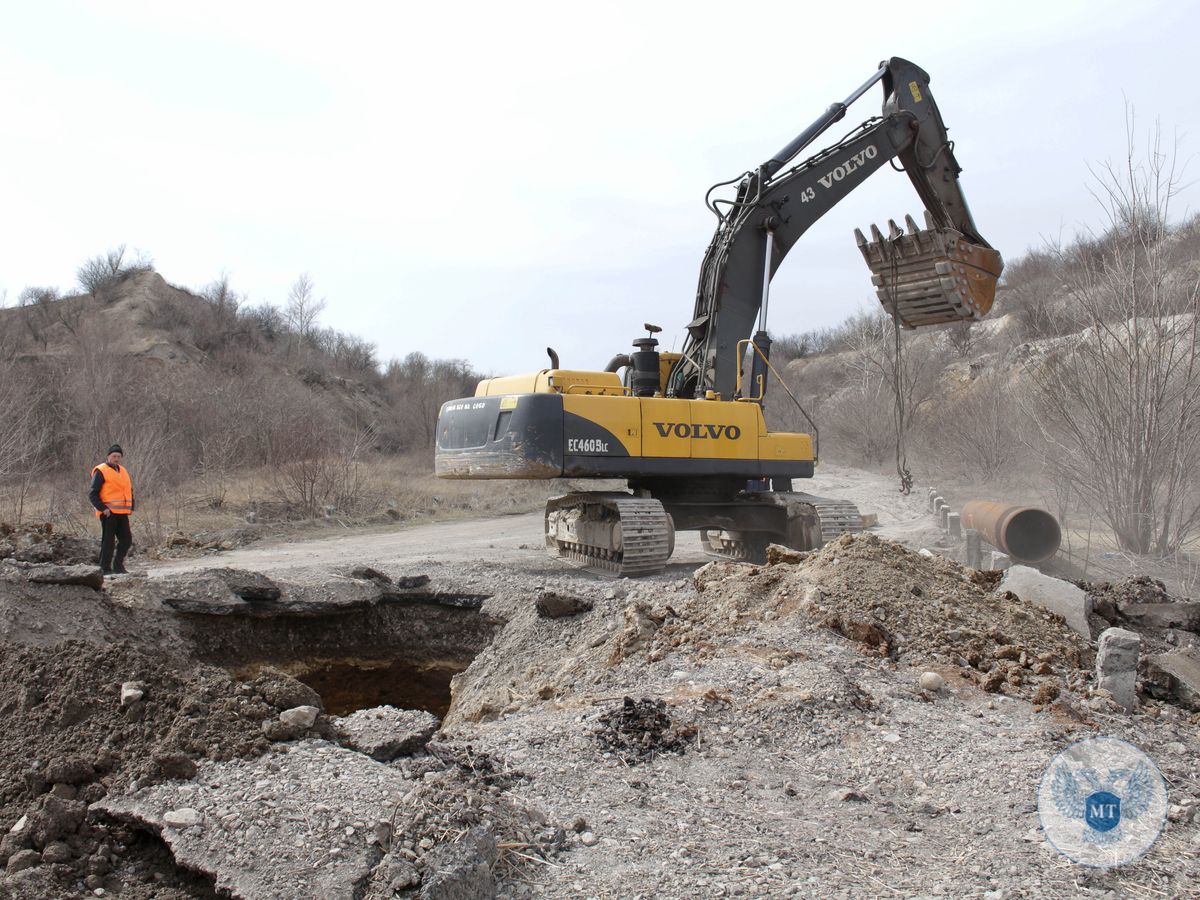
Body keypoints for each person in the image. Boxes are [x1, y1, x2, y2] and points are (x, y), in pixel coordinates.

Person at [89, 444, 134, 575]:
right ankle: (104, 568)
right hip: (108, 513)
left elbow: (129, 490)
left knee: (126, 540)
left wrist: (131, 506)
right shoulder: (101, 470)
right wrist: (103, 508)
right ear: (108, 456)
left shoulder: (123, 471)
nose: (116, 459)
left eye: (119, 456)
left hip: (122, 512)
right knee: (108, 541)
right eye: (114, 456)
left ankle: (118, 566)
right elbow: (92, 493)